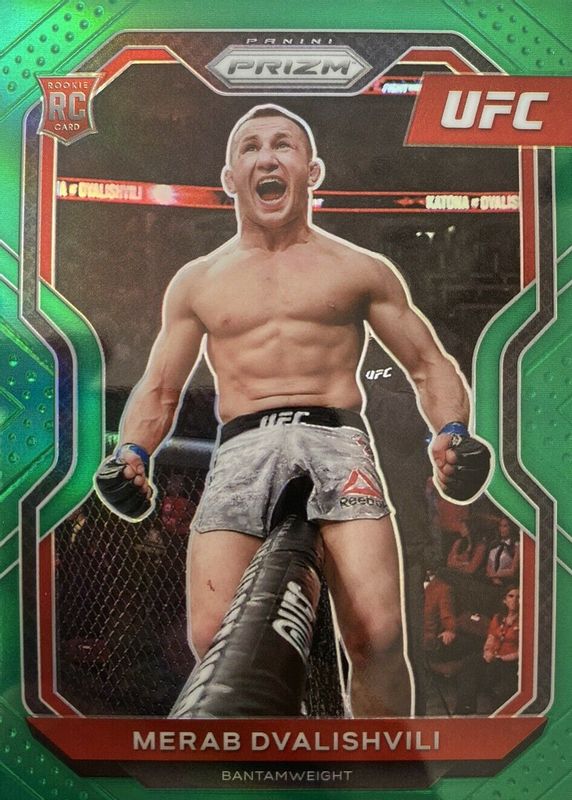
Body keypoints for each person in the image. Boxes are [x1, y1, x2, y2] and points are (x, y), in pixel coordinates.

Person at [95, 104, 491, 718]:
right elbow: (160, 386)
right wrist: (131, 452)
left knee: (379, 636)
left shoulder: (359, 268)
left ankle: (379, 768)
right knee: (215, 643)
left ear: (312, 170)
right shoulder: (198, 280)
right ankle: (273, 762)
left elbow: (427, 362)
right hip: (242, 445)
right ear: (230, 177)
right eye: (251, 147)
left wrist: (453, 432)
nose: (267, 157)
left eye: (283, 144)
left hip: (335, 438)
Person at [454, 585, 520, 715]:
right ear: (504, 600)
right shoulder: (498, 618)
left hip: (509, 662)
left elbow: (522, 651)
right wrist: (487, 652)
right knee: (470, 663)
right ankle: (465, 710)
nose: (514, 600)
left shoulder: (524, 621)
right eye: (511, 596)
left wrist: (501, 658)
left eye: (518, 597)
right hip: (493, 657)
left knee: (492, 673)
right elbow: (490, 638)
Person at [486, 516, 520, 587]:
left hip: (506, 583)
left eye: (505, 526)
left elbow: (513, 571)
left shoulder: (517, 546)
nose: (501, 529)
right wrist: (494, 578)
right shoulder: (494, 545)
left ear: (511, 528)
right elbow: (488, 566)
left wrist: (495, 574)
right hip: (491, 580)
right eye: (500, 526)